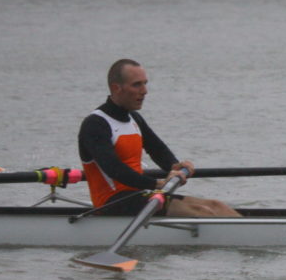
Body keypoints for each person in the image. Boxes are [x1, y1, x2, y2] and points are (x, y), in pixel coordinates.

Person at [78, 59, 240, 217]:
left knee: (216, 206)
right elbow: (114, 169)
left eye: (145, 83)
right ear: (116, 88)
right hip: (112, 203)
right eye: (137, 84)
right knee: (201, 212)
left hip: (140, 195)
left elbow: (157, 149)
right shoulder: (95, 124)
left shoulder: (134, 118)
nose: (145, 90)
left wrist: (175, 166)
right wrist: (156, 183)